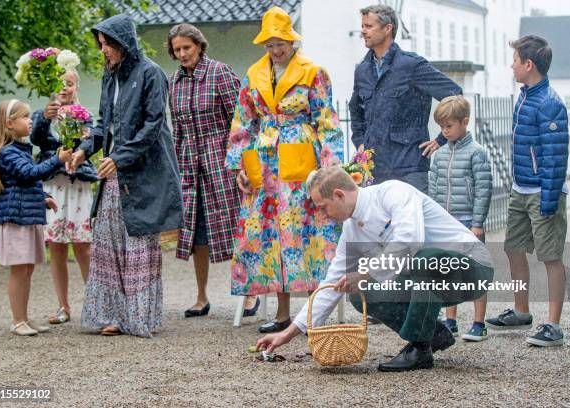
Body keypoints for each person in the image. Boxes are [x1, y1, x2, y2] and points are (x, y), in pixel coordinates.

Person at [257, 166, 494, 371]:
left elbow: (410, 239)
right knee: (359, 295)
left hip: (472, 267)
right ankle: (433, 334)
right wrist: (287, 334)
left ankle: (419, 349)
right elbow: (331, 285)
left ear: (338, 195)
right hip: (433, 281)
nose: (322, 215)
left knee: (423, 256)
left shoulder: (392, 192)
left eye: (322, 207)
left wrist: (367, 272)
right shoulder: (350, 231)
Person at [225, 6, 344, 333]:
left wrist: (332, 166)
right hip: (263, 160)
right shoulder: (254, 74)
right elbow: (242, 121)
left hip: (302, 157)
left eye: (281, 43)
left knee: (304, 233)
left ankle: (311, 315)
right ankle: (280, 314)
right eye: (270, 44)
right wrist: (239, 164)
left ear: (292, 40)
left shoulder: (313, 72)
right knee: (270, 235)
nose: (276, 49)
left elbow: (326, 120)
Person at [69, 14, 183, 337]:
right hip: (113, 172)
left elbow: (153, 125)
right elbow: (103, 121)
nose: (103, 51)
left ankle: (139, 317)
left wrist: (118, 158)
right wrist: (84, 149)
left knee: (138, 242)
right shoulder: (110, 76)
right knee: (108, 242)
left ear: (123, 44)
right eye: (101, 45)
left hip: (142, 173)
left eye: (108, 45)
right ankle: (113, 315)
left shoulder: (151, 74)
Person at [167, 24, 258, 318]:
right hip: (189, 163)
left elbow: (241, 120)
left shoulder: (220, 73)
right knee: (196, 232)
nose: (182, 54)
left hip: (221, 160)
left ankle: (248, 294)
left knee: (235, 225)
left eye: (187, 48)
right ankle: (201, 296)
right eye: (177, 50)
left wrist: (241, 162)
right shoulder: (174, 82)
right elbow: (176, 128)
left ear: (200, 46)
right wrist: (177, 166)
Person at [486, 35, 569, 347]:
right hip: (520, 190)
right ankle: (521, 310)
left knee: (550, 256)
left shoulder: (550, 104)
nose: (512, 65)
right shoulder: (524, 96)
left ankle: (554, 325)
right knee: (513, 248)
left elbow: (555, 157)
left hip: (543, 193)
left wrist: (548, 200)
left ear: (529, 65)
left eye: (516, 60)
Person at [349, 4, 462, 190]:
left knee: (413, 220)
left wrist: (441, 139)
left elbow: (454, 95)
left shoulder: (412, 66)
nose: (363, 31)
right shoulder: (362, 70)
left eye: (369, 26)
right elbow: (356, 110)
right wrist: (360, 141)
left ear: (387, 29)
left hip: (410, 168)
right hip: (374, 169)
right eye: (362, 26)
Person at [0, 99, 72, 335]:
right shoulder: (7, 152)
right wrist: (58, 160)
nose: (30, 120)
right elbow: (28, 174)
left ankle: (24, 318)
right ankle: (17, 320)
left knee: (27, 269)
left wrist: (43, 197)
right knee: (19, 270)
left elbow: (25, 183)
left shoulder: (20, 149)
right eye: (24, 117)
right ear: (9, 123)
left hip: (27, 216)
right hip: (16, 220)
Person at [30, 68, 98, 325]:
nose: (64, 88)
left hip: (78, 183)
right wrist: (45, 119)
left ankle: (94, 304)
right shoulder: (43, 113)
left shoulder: (85, 115)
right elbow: (37, 140)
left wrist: (80, 152)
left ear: (76, 86)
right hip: (53, 186)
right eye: (60, 84)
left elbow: (90, 143)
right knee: (56, 247)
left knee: (83, 246)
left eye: (69, 83)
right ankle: (63, 307)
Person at [429, 95, 493, 341]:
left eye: (449, 126)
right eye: (442, 127)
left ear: (464, 122)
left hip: (469, 222)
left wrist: (477, 223)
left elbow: (483, 190)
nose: (444, 132)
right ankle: (451, 320)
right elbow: (433, 191)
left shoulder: (477, 154)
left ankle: (479, 323)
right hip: (446, 224)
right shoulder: (440, 155)